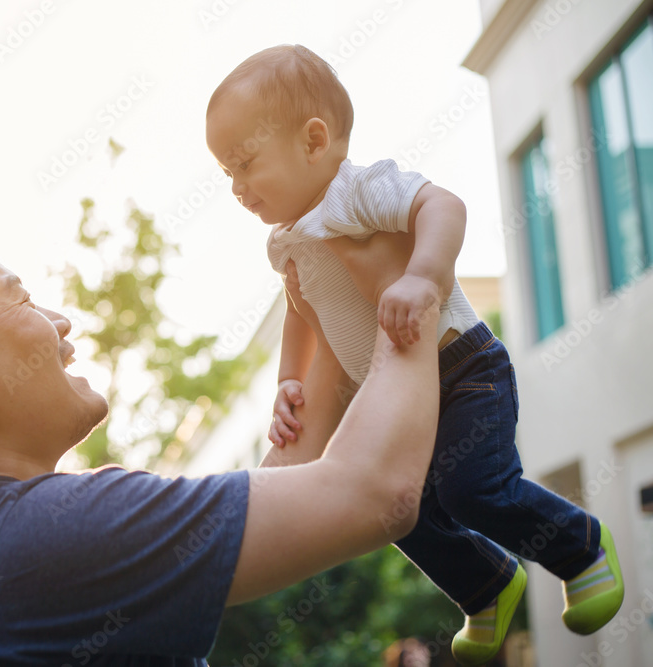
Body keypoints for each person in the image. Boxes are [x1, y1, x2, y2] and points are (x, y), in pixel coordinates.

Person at [0, 210, 443, 665]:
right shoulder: (45, 535)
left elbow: (288, 497)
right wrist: (408, 284)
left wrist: (329, 307)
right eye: (23, 300)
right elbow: (376, 493)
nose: (60, 323)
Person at [205, 44, 624, 666]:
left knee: (471, 489)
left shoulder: (358, 191)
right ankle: (487, 585)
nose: (237, 186)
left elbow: (443, 205)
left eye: (245, 163)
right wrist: (290, 381)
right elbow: (302, 312)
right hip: (393, 399)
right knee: (394, 510)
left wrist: (423, 276)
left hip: (464, 373)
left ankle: (580, 547)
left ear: (314, 141)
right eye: (226, 173)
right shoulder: (283, 243)